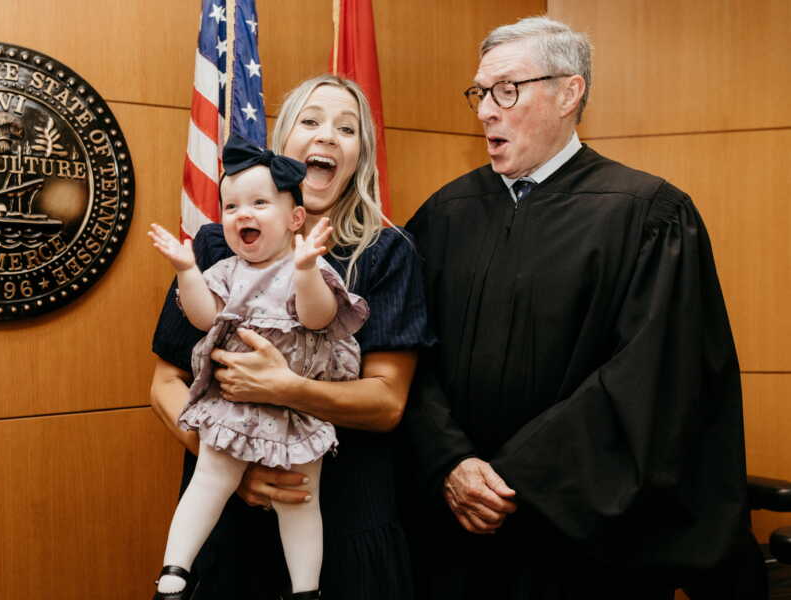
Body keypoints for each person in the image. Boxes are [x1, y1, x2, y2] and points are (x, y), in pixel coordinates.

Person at [402, 16, 756, 599]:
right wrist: (449, 462)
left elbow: (651, 380)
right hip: (452, 535)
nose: (487, 109)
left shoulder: (648, 215)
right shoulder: (445, 214)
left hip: (578, 547)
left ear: (569, 92)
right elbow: (407, 354)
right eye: (480, 93)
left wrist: (510, 480)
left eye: (506, 90)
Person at [150, 74, 432, 600]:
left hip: (343, 521)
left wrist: (284, 388)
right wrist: (240, 470)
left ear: (361, 156)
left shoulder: (386, 252)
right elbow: (165, 382)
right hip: (228, 525)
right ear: (283, 146)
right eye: (310, 121)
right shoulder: (216, 245)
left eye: (346, 129)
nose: (327, 136)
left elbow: (387, 402)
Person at [148, 135, 370, 600]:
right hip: (237, 403)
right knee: (210, 476)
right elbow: (203, 316)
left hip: (295, 404)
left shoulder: (307, 267)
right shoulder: (227, 269)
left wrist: (308, 269)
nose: (242, 214)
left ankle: (306, 587)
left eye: (258, 203)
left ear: (294, 219)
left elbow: (318, 317)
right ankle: (176, 567)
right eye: (230, 207)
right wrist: (187, 270)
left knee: (300, 497)